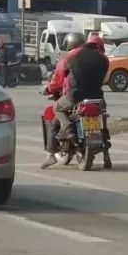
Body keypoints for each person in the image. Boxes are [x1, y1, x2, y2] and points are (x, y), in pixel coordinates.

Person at [41, 33, 87, 169]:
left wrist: (49, 89)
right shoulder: (95, 55)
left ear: (70, 43)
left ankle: (51, 153)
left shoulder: (69, 57)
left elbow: (57, 78)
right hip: (94, 95)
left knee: (55, 114)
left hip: (72, 95)